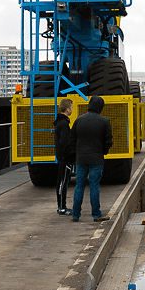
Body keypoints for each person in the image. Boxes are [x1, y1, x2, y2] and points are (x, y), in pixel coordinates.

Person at [70, 95, 113, 223]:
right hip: (96, 158)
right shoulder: (104, 121)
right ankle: (96, 215)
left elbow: (72, 139)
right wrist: (103, 152)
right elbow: (108, 141)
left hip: (81, 158)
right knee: (94, 186)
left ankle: (75, 215)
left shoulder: (79, 120)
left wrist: (77, 152)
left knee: (79, 186)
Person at [54, 98, 75, 215]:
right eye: (71, 107)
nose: (72, 109)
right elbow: (65, 143)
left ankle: (61, 206)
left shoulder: (59, 123)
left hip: (62, 157)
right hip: (65, 159)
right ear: (67, 109)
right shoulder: (64, 124)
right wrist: (71, 154)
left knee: (62, 181)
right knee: (63, 182)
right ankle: (62, 207)